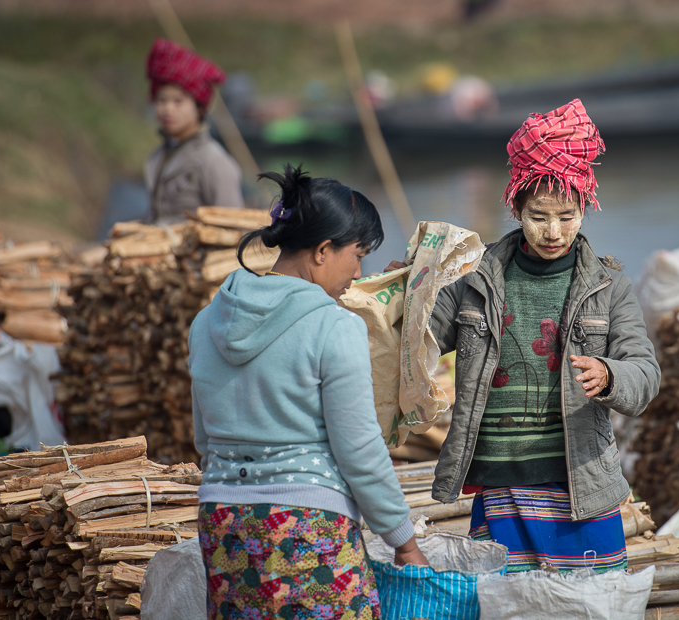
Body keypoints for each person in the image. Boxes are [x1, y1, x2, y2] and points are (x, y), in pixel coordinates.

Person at [427, 99, 661, 574]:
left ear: (584, 209)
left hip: (580, 482)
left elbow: (645, 371)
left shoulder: (609, 286)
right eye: (539, 216)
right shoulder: (475, 276)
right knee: (507, 603)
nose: (554, 231)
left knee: (590, 603)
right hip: (500, 482)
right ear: (516, 208)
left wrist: (611, 375)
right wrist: (411, 291)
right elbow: (421, 339)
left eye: (568, 216)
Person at [189, 165, 427, 620]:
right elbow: (358, 449)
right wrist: (405, 541)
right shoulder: (333, 326)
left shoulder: (206, 323)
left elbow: (205, 439)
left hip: (221, 522)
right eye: (357, 255)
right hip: (306, 525)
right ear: (322, 251)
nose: (359, 272)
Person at [145, 38, 244, 224]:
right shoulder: (158, 157)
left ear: (200, 108)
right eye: (162, 100)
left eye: (178, 102)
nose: (168, 109)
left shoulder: (214, 162)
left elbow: (233, 228)